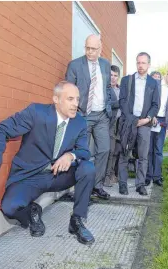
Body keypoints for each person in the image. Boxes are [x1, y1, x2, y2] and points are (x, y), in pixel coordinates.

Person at [0, 82, 95, 245]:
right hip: (31, 175)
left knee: (88, 168)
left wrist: (71, 155)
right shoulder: (36, 112)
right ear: (56, 99)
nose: (75, 104)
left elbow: (84, 152)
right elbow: (1, 129)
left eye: (77, 99)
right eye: (70, 99)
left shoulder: (79, 122)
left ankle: (77, 221)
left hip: (60, 175)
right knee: (10, 207)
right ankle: (32, 211)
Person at [65, 34, 112, 200]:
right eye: (87, 48)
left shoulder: (106, 65)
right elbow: (68, 90)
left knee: (105, 149)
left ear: (100, 49)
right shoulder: (75, 65)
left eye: (93, 49)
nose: (89, 52)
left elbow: (107, 88)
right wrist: (76, 112)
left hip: (102, 115)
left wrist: (109, 107)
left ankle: (96, 186)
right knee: (82, 152)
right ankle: (80, 186)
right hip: (84, 115)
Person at [118, 52, 160, 195]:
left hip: (144, 123)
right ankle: (122, 184)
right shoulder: (126, 80)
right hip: (129, 122)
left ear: (148, 65)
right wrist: (131, 120)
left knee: (143, 156)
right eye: (138, 63)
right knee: (124, 152)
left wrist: (148, 118)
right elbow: (122, 101)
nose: (140, 66)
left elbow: (155, 104)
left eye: (143, 63)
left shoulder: (153, 83)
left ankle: (140, 184)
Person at [146, 66, 168, 187]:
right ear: (167, 73)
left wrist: (167, 126)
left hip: (162, 122)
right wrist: (151, 115)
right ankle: (148, 175)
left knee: (158, 150)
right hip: (150, 118)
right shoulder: (154, 83)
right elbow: (147, 101)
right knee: (148, 149)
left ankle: (156, 176)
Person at [104, 65, 121, 187]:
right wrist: (119, 103)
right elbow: (107, 103)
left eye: (115, 75)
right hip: (110, 123)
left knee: (117, 151)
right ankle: (106, 176)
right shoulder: (106, 89)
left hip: (121, 124)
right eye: (111, 75)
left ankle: (113, 173)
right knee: (110, 150)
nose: (113, 78)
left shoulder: (122, 90)